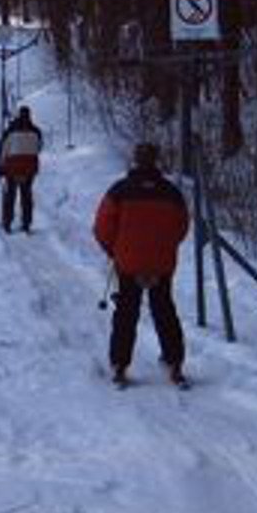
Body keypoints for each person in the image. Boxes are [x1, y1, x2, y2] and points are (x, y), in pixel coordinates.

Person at [93, 142, 190, 386]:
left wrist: (113, 250)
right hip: (161, 263)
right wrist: (166, 246)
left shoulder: (120, 190)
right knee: (164, 310)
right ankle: (174, 362)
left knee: (126, 312)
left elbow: (102, 226)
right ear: (156, 160)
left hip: (128, 262)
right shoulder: (171, 192)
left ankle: (120, 365)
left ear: (135, 160)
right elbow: (182, 226)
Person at [0, 105, 44, 233]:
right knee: (26, 194)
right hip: (29, 168)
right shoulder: (36, 131)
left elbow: (3, 150)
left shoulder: (10, 131)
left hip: (12, 167)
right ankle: (26, 223)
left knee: (10, 194)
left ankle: (7, 222)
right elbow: (39, 148)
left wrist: (0, 167)